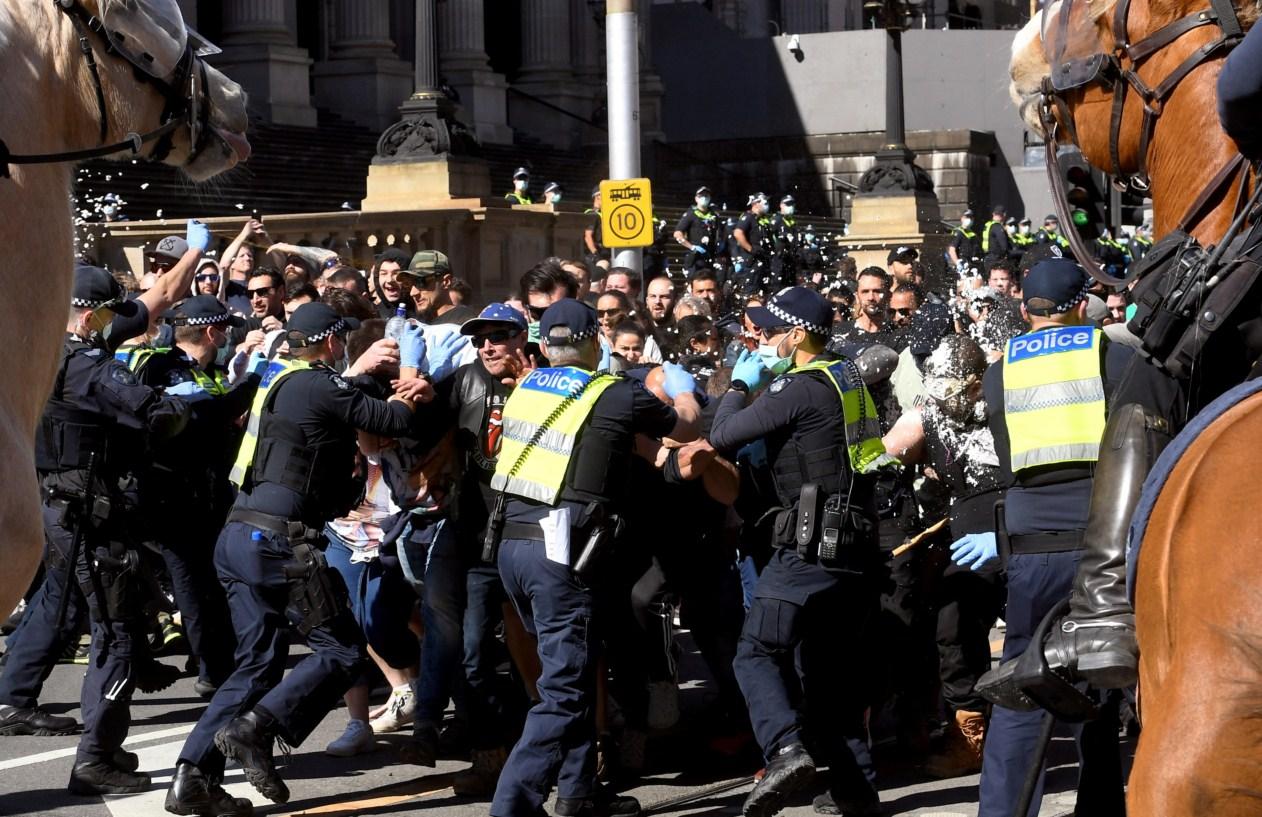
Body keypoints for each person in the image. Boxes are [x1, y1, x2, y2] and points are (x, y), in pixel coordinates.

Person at [167, 302, 428, 812]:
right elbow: (391, 419)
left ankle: (192, 776)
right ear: (331, 343)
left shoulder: (280, 379)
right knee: (342, 651)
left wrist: (357, 375)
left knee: (256, 667)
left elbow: (336, 405)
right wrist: (412, 378)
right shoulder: (315, 382)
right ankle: (256, 728)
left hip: (241, 536)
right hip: (280, 543)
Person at [486, 299, 701, 817]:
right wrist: (681, 386)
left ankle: (578, 791)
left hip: (512, 547)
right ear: (593, 344)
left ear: (543, 344)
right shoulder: (615, 391)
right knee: (563, 688)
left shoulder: (526, 387)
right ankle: (512, 805)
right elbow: (684, 428)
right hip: (559, 552)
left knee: (573, 670)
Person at [5, 264, 193, 795]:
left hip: (62, 509)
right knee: (118, 634)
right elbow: (157, 414)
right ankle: (96, 758)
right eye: (108, 312)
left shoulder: (35, 356)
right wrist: (192, 408)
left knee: (103, 621)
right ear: (89, 314)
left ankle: (104, 747)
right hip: (91, 513)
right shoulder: (87, 363)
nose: (113, 321)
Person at [708, 286, 889, 817]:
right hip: (855, 543)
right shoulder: (847, 374)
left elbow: (723, 434)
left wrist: (741, 383)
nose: (764, 337)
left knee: (757, 651)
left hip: (811, 546)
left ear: (798, 333)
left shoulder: (800, 386)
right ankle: (857, 794)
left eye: (772, 329)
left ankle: (785, 752)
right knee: (830, 673)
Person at [974, 258, 1130, 816]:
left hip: (1031, 545)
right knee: (1101, 675)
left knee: (1025, 679)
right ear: (1080, 305)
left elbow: (1007, 451)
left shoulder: (1001, 369)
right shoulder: (1110, 352)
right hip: (1102, 543)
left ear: (1024, 308)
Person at [129, 296, 262, 700]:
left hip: (209, 495)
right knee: (192, 583)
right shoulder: (163, 368)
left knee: (213, 580)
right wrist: (257, 379)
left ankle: (220, 657)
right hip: (174, 498)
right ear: (211, 332)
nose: (226, 337)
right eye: (224, 330)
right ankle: (212, 666)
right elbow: (208, 417)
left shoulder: (209, 370)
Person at [401, 250, 477, 325]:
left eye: (421, 282)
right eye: (410, 284)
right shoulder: (421, 322)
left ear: (446, 281)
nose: (413, 293)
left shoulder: (464, 321)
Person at [673, 186, 720, 275]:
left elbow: (719, 233)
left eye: (707, 196)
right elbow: (677, 233)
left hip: (710, 255)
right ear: (696, 198)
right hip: (695, 257)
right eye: (701, 196)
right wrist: (692, 247)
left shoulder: (714, 216)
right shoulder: (691, 214)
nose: (704, 198)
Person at [732, 194, 772, 294]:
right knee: (750, 290)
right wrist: (750, 249)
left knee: (762, 291)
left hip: (762, 260)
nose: (767, 205)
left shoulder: (764, 220)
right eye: (765, 203)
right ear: (755, 203)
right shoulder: (748, 216)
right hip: (751, 261)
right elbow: (738, 233)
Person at [769, 195, 801, 291]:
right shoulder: (776, 220)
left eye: (791, 204)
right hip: (778, 259)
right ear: (781, 205)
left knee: (791, 286)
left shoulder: (792, 222)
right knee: (778, 287)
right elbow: (770, 237)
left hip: (790, 259)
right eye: (787, 204)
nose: (790, 207)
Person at [584, 187, 611, 271]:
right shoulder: (592, 214)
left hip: (605, 252)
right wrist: (596, 254)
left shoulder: (603, 213)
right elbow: (588, 236)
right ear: (598, 196)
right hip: (596, 254)